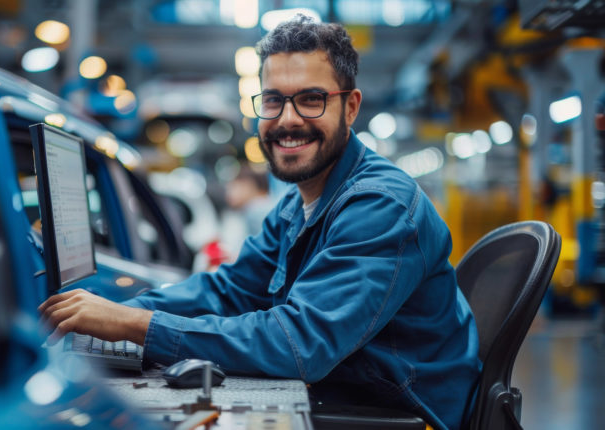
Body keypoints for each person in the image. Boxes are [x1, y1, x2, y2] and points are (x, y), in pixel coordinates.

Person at [39, 15, 480, 430]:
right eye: (273, 101)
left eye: (311, 99)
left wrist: (138, 327)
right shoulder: (299, 202)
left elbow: (297, 344)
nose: (287, 120)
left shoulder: (380, 206)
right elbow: (229, 291)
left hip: (400, 415)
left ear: (350, 108)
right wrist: (119, 315)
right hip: (349, 393)